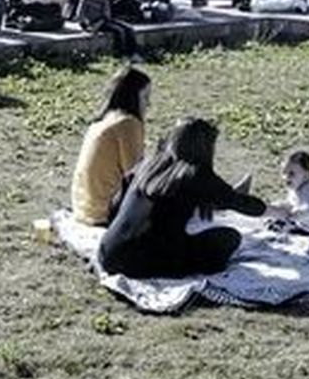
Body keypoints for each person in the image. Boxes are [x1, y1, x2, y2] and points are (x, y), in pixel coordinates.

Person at [97, 117, 266, 278]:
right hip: (140, 263)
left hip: (107, 254)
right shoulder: (195, 174)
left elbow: (114, 207)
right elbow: (247, 206)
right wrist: (277, 211)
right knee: (228, 238)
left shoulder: (149, 164)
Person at [70, 67, 152, 225]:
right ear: (133, 96)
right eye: (145, 97)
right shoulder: (128, 124)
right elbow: (136, 174)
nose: (149, 103)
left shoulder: (104, 121)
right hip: (105, 212)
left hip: (83, 208)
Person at [264, 149, 309, 236]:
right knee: (279, 214)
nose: (286, 177)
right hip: (307, 224)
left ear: (306, 175)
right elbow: (293, 203)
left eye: (291, 174)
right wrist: (280, 206)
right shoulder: (297, 185)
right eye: (283, 172)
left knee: (282, 227)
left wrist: (293, 215)